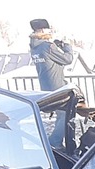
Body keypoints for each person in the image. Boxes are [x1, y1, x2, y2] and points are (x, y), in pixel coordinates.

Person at [29, 19, 74, 150]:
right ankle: (54, 142)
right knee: (65, 115)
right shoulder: (48, 46)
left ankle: (59, 142)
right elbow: (68, 59)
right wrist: (67, 47)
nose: (50, 31)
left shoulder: (34, 47)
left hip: (46, 87)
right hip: (58, 87)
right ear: (43, 30)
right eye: (48, 29)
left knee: (63, 115)